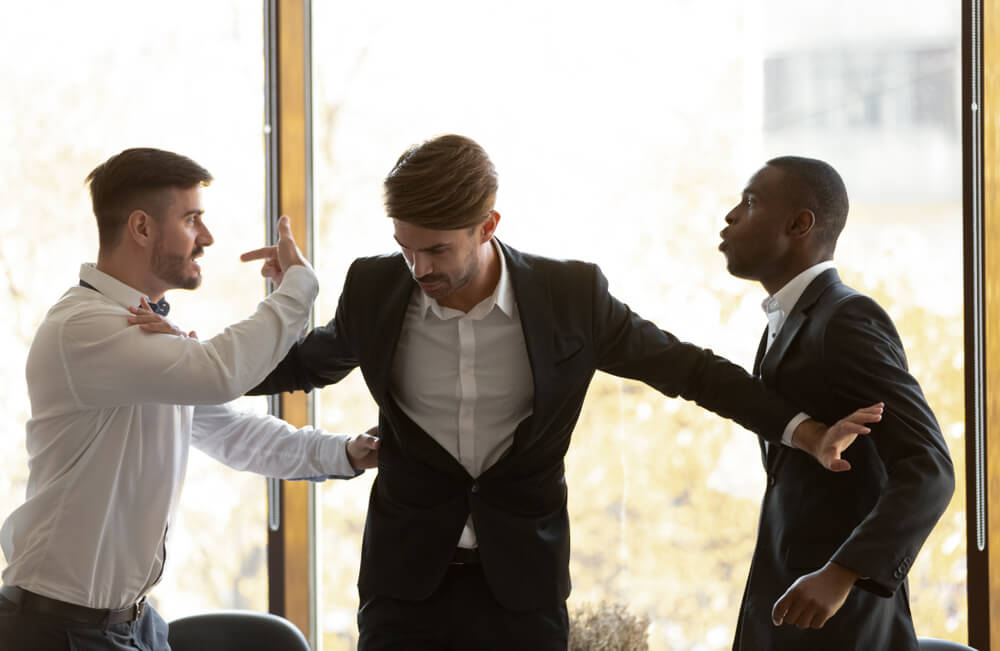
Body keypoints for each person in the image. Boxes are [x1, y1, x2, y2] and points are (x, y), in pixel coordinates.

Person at [246, 134, 880, 650]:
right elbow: (304, 366)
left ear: (488, 224)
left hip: (523, 589)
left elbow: (690, 370)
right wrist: (179, 355)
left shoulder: (569, 297)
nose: (420, 270)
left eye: (436, 250)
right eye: (405, 249)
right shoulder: (376, 288)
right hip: (402, 588)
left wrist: (805, 430)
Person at [0, 147, 379, 651]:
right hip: (59, 631)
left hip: (134, 626)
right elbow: (219, 373)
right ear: (141, 227)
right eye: (192, 219)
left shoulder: (143, 330)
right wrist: (298, 287)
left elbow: (231, 431)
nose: (207, 238)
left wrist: (345, 452)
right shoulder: (84, 328)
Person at [719, 156, 955, 650]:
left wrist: (842, 573)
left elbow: (929, 467)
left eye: (750, 202)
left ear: (799, 223)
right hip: (791, 609)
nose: (731, 216)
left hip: (841, 626)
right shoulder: (788, 321)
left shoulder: (846, 320)